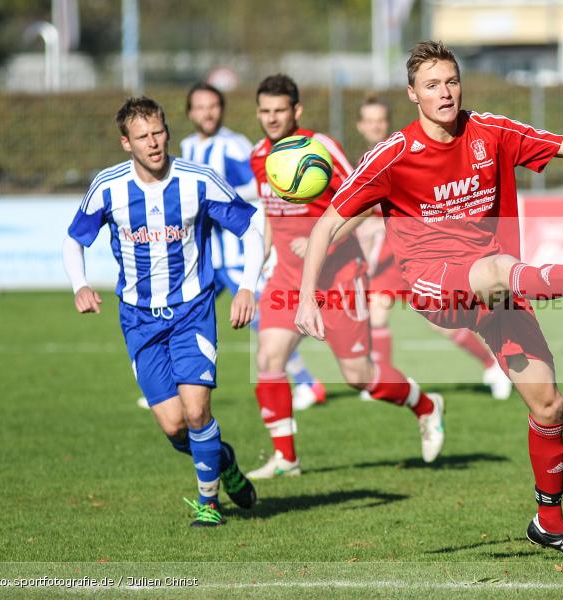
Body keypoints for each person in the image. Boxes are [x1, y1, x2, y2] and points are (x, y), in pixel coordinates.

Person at [295, 40, 563, 560]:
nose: (445, 92)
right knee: (498, 269)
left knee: (549, 403)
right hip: (437, 286)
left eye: (451, 81)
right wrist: (305, 298)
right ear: (413, 94)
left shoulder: (491, 131)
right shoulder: (392, 155)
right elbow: (327, 225)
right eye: (431, 85)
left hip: (501, 290)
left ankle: (548, 520)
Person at [62, 96, 265, 526]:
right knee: (175, 427)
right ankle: (223, 461)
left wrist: (247, 287)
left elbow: (253, 228)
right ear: (125, 143)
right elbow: (74, 238)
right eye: (142, 137)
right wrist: (80, 284)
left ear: (168, 132)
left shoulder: (200, 180)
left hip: (193, 310)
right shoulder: (108, 186)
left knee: (196, 412)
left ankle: (208, 504)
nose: (153, 143)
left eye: (158, 132)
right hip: (138, 318)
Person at [246, 74, 445, 480]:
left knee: (359, 377)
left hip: (338, 276)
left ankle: (425, 405)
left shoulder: (322, 148)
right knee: (269, 357)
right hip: (286, 278)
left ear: (296, 111)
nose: (271, 118)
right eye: (264, 111)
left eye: (279, 110)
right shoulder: (258, 156)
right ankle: (287, 457)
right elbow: (270, 215)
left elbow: (365, 203)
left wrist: (325, 240)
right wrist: (255, 271)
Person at [353, 95, 513, 400]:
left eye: (380, 120)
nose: (375, 126)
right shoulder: (367, 160)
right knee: (377, 312)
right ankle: (384, 379)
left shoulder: (405, 154)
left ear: (387, 123)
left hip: (415, 253)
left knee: (443, 322)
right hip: (389, 258)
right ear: (361, 126)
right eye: (369, 121)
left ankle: (492, 364)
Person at [179, 81, 325, 412]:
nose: (207, 112)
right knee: (185, 314)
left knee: (263, 321)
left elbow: (264, 186)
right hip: (204, 254)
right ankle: (174, 389)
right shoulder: (187, 146)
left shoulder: (234, 145)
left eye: (213, 106)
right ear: (190, 113)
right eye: (200, 107)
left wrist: (217, 195)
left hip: (236, 254)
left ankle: (307, 383)